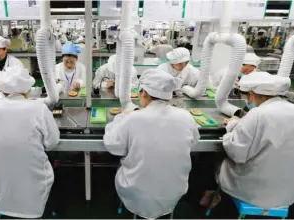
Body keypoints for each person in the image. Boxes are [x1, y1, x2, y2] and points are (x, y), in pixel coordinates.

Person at [104, 69, 200, 218]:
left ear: (145, 93)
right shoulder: (186, 117)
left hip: (136, 191)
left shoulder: (133, 118)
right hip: (173, 192)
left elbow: (113, 146)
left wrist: (120, 118)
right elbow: (194, 142)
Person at [0, 67, 60, 218]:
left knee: (8, 190)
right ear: (27, 89)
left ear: (3, 90)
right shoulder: (38, 108)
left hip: (0, 174)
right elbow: (52, 142)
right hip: (35, 175)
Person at [217, 72, 294, 209]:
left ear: (252, 94)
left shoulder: (258, 114)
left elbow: (236, 153)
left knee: (211, 161)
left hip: (255, 191)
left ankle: (210, 202)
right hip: (287, 192)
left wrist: (233, 126)